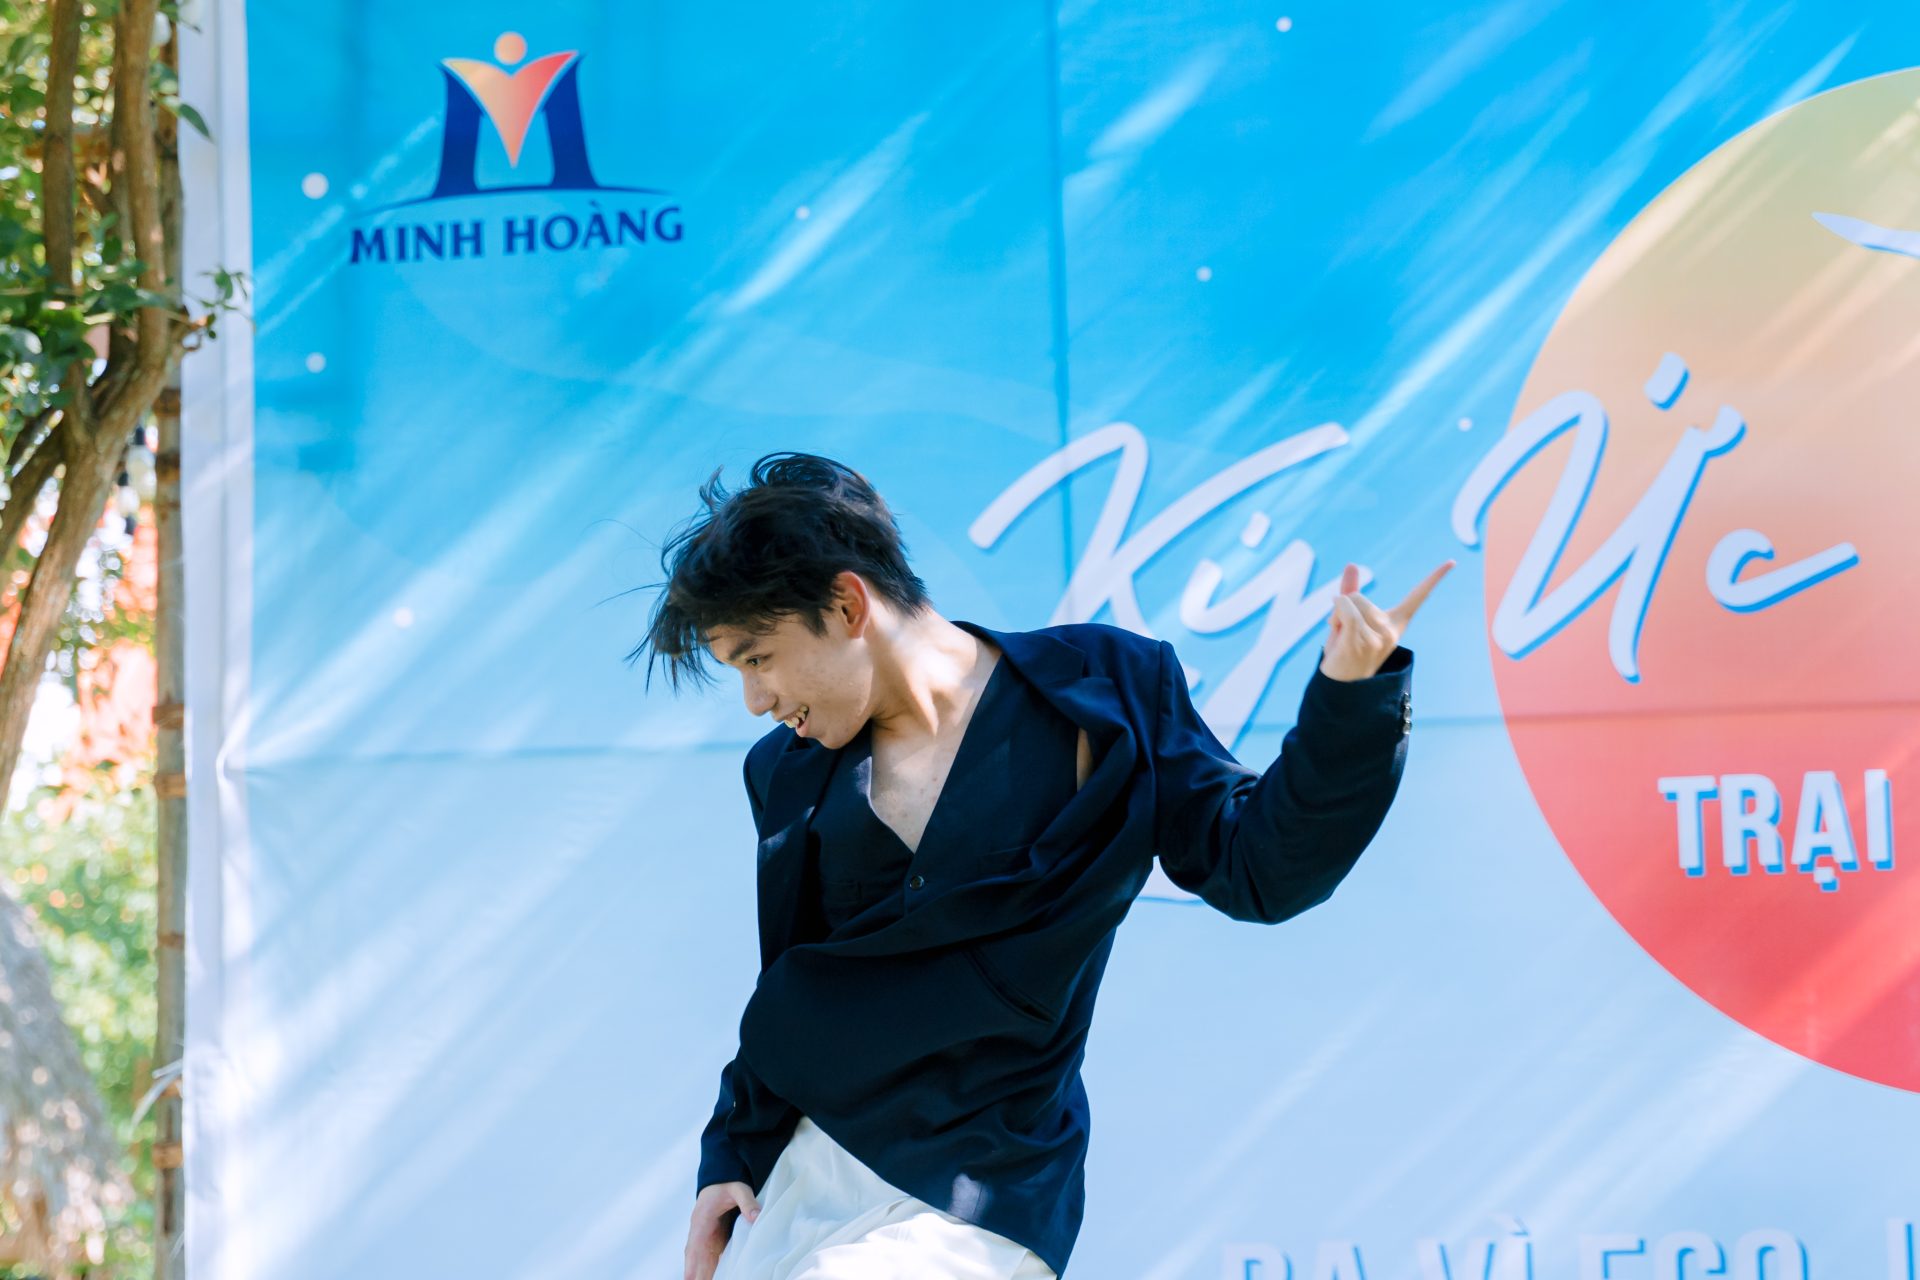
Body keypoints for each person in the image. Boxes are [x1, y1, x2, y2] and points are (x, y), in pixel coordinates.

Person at [634, 452, 1452, 1280]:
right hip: (805, 1175)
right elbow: (795, 984)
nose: (756, 701)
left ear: (848, 605)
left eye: (757, 659)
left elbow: (1262, 870)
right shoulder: (784, 773)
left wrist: (1351, 698)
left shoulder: (1106, 692)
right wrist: (732, 1149)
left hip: (982, 1188)